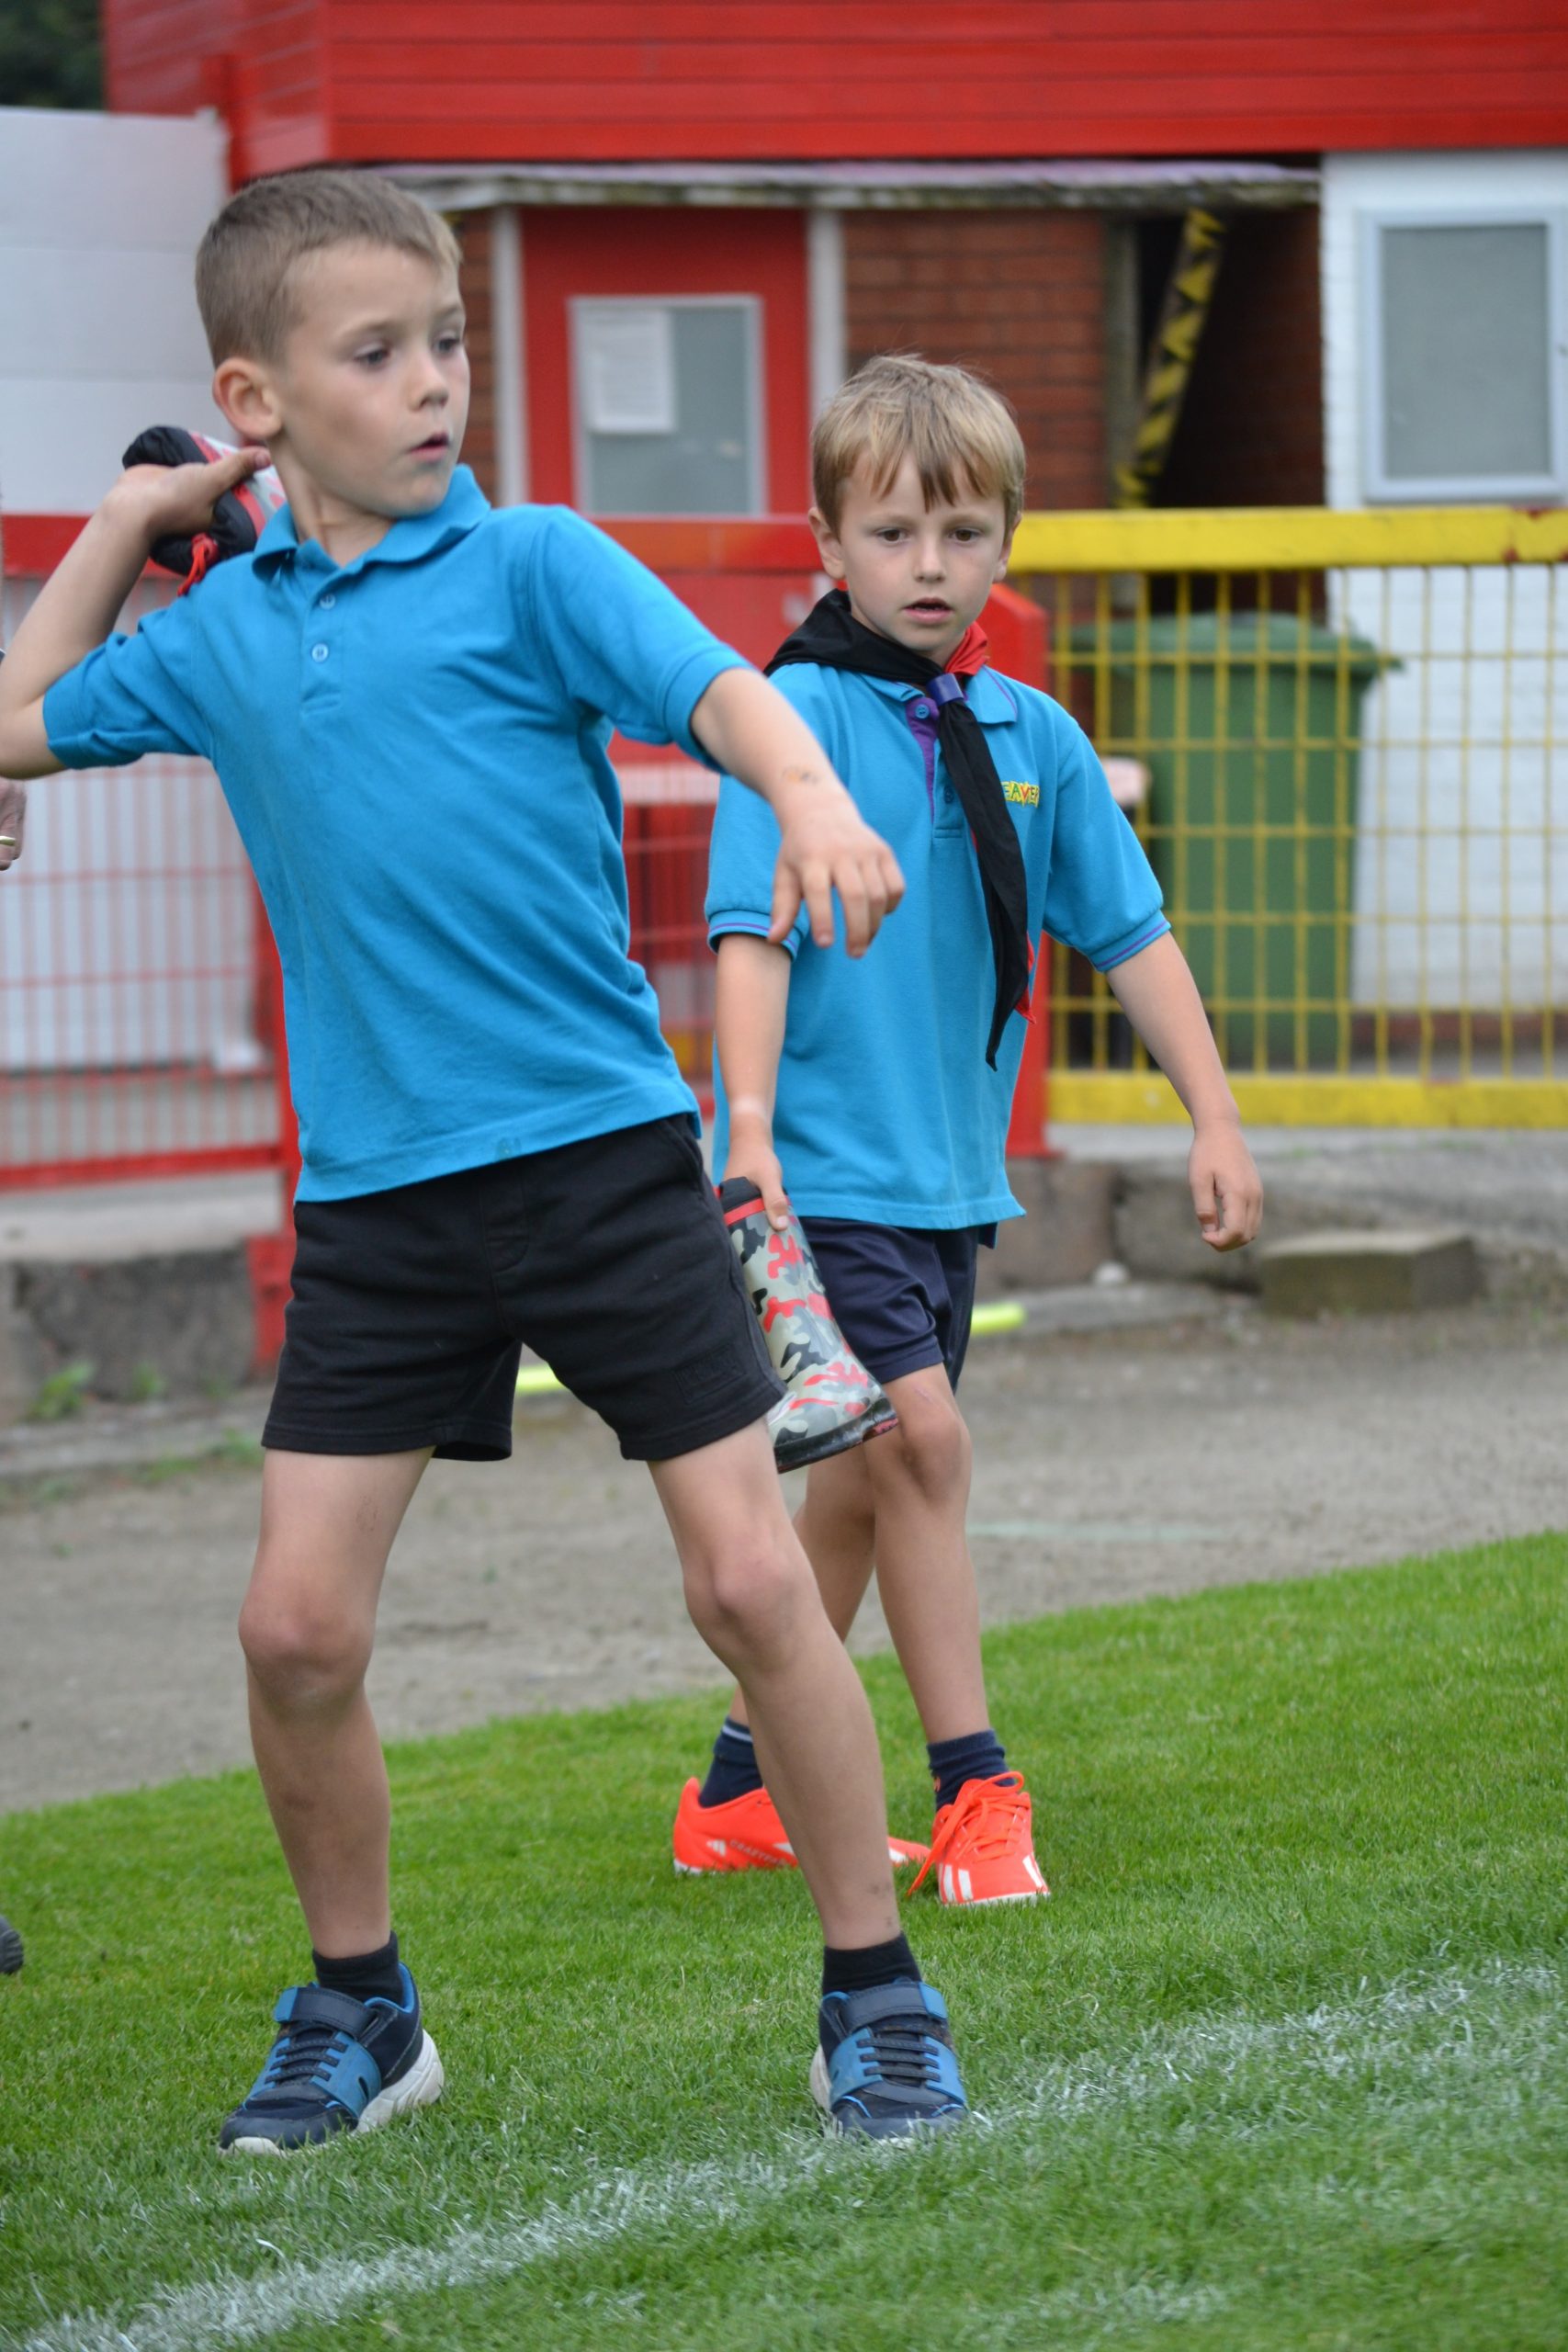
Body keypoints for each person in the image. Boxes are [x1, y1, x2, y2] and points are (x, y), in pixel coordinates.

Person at [0, 173, 971, 2148]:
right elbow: (11, 723)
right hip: (380, 1205)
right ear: (254, 400)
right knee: (292, 1627)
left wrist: (805, 799)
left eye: (444, 341)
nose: (435, 382)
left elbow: (727, 699)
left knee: (746, 1581)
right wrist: (127, 521)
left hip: (608, 1164)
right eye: (379, 353)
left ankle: (876, 1990)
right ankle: (364, 2009)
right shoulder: (225, 637)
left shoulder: (533, 561)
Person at [673, 356, 1262, 1904]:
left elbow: (1131, 934)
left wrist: (1216, 1117)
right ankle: (978, 1786)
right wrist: (748, 1139)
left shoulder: (1035, 738)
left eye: (962, 533)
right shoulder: (786, 719)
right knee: (924, 1444)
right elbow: (749, 930)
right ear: (829, 544)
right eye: (892, 534)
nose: (927, 566)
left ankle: (736, 1795)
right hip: (817, 1181)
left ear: (1008, 540)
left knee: (863, 1485)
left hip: (947, 1182)